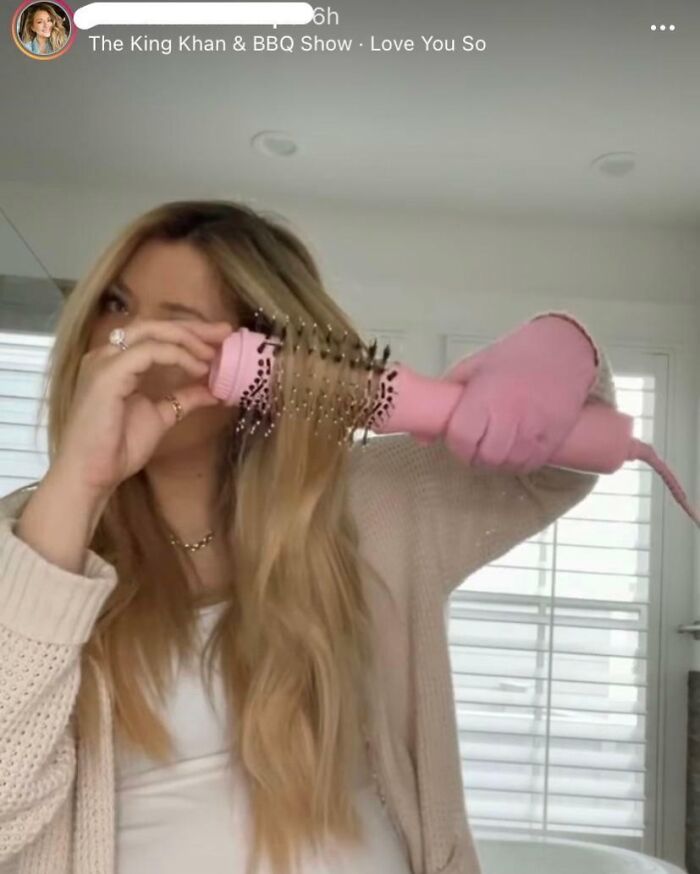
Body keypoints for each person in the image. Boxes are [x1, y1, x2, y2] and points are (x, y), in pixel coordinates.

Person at [0, 200, 618, 874]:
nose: (128, 346)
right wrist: (78, 489)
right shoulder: (31, 545)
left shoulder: (366, 503)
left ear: (264, 364)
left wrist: (562, 343)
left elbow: (554, 465)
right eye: (115, 306)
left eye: (177, 327)